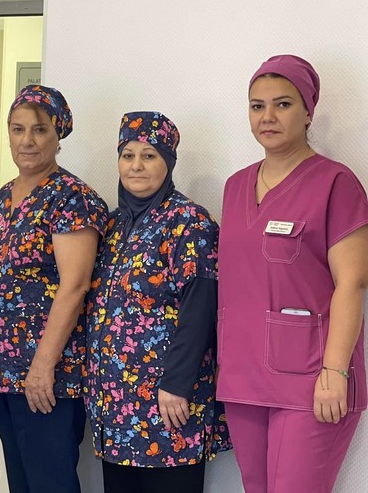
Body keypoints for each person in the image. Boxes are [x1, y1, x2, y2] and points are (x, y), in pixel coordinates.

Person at [217, 54, 368, 493]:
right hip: (242, 374)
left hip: (313, 378)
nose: (268, 116)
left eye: (283, 104)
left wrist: (336, 372)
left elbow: (352, 283)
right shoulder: (235, 186)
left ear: (307, 112)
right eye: (257, 106)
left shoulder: (336, 183)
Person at [84, 111, 230, 493]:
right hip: (115, 403)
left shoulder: (189, 222)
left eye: (148, 155)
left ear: (168, 161)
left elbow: (200, 309)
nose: (136, 165)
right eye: (127, 155)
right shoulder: (112, 226)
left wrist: (177, 384)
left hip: (168, 401)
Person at [0, 85, 107, 492]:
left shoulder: (72, 198)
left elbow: (75, 285)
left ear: (58, 135)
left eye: (40, 129)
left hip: (46, 373)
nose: (27, 140)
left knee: (49, 481)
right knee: (11, 481)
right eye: (17, 129)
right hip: (0, 369)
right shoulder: (5, 195)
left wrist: (42, 366)